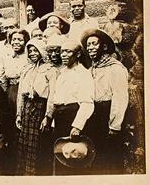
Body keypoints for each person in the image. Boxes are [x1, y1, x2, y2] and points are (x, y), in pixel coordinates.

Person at [81, 28, 128, 174]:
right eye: (88, 45)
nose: (90, 48)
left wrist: (115, 125)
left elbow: (120, 98)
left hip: (108, 114)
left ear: (104, 47)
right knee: (94, 157)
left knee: (110, 158)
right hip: (93, 117)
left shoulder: (115, 69)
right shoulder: (91, 70)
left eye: (94, 44)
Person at [44, 39, 95, 175]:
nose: (64, 55)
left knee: (74, 156)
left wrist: (77, 126)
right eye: (62, 52)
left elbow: (87, 102)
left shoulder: (83, 73)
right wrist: (49, 117)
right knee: (61, 154)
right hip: (60, 118)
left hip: (72, 117)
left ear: (78, 54)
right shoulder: (62, 72)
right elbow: (56, 98)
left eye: (68, 51)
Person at [16, 38, 54, 175]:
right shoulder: (27, 69)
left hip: (40, 108)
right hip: (27, 108)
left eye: (35, 50)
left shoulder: (50, 70)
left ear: (41, 51)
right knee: (25, 144)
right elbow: (21, 93)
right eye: (30, 51)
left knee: (37, 145)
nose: (32, 53)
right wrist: (19, 114)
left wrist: (48, 116)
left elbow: (52, 94)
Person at [0, 29, 30, 174]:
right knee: (9, 128)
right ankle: (9, 165)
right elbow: (3, 79)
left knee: (22, 127)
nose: (16, 42)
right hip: (10, 93)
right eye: (14, 40)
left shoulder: (29, 57)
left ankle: (23, 165)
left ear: (25, 42)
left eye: (20, 40)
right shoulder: (6, 57)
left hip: (24, 92)